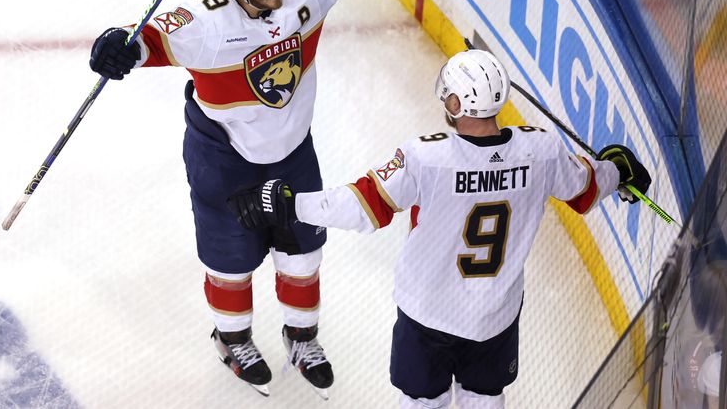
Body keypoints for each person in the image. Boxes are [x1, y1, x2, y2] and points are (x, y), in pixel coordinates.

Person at [86, 0, 456, 398]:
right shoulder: (206, 20)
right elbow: (149, 38)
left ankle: (301, 337)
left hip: (293, 149)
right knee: (230, 260)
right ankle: (232, 338)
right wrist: (118, 45)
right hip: (224, 155)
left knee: (303, 253)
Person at [227, 49, 652, 408]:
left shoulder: (426, 159)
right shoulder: (540, 149)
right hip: (495, 320)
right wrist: (618, 168)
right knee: (485, 400)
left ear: (456, 104)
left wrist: (288, 204)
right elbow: (586, 189)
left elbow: (362, 208)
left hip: (427, 319)